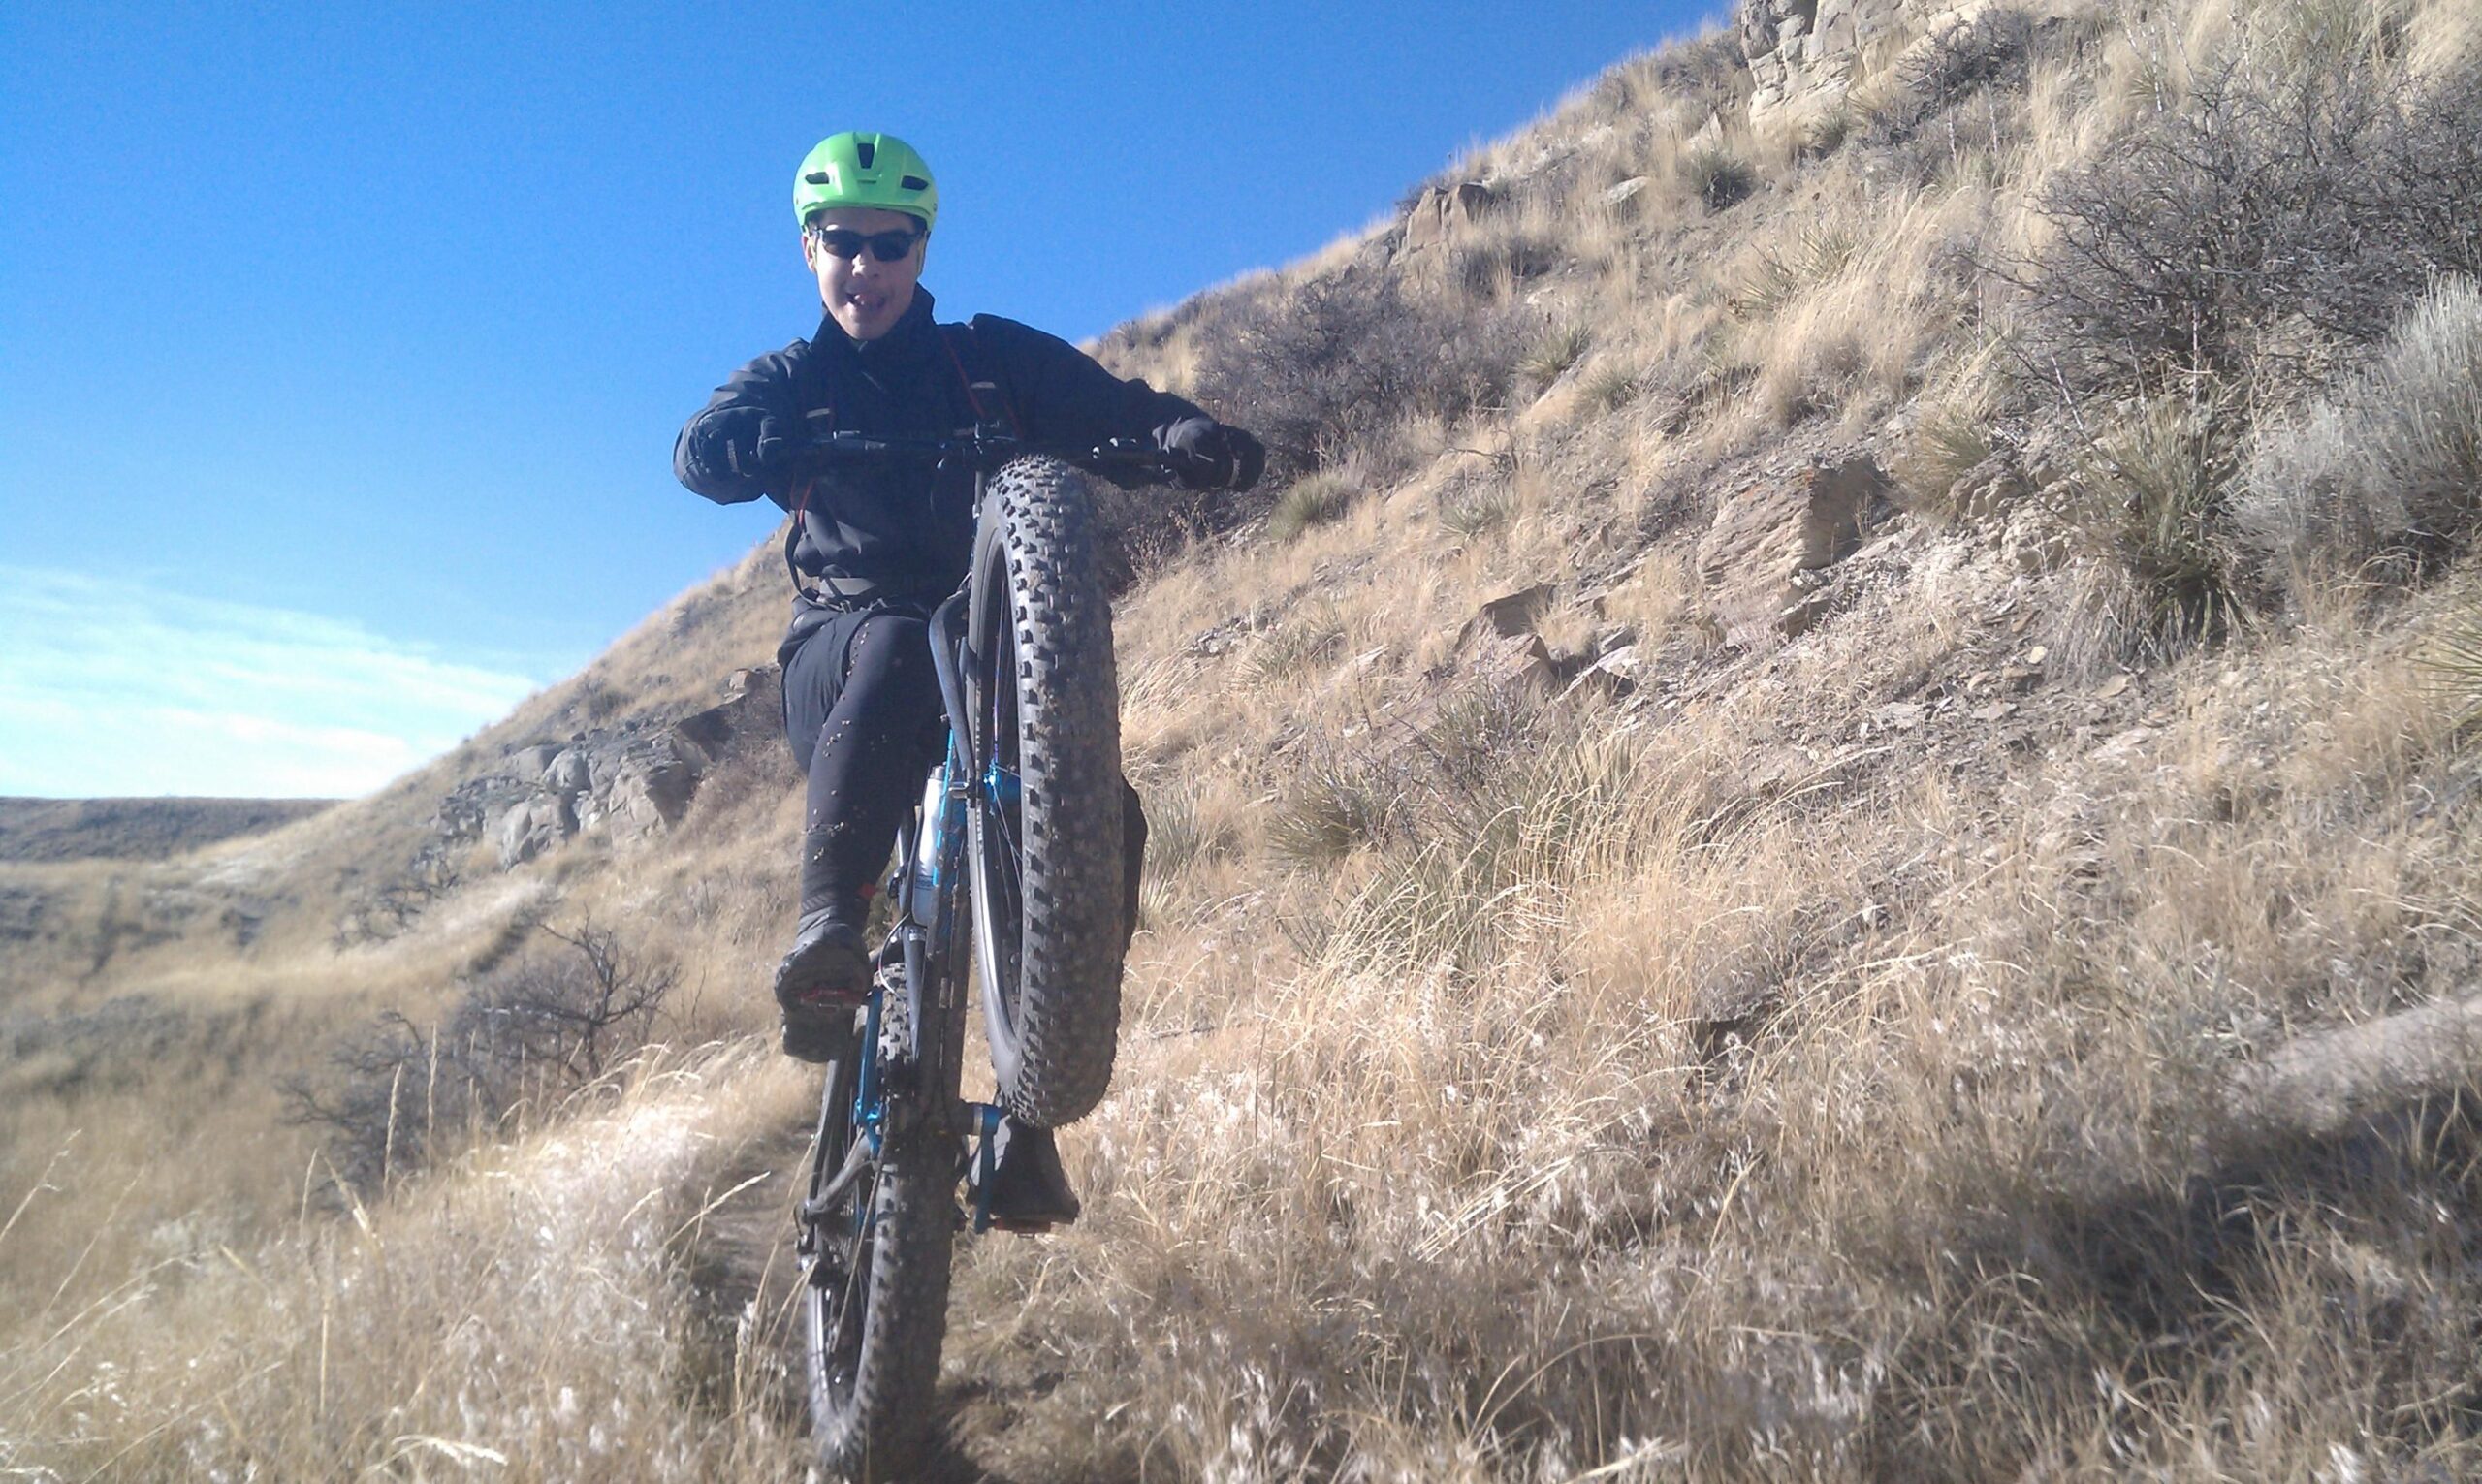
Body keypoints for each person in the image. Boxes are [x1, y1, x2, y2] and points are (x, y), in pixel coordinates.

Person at [674, 130, 1260, 1225]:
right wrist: (735, 446)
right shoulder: (792, 380)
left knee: (1102, 814)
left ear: (918, 249)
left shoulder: (988, 361)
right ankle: (829, 932)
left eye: (888, 242)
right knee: (898, 640)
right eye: (842, 242)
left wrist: (1185, 436)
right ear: (811, 251)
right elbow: (699, 446)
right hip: (843, 657)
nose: (866, 264)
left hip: (986, 670)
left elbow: (1110, 410)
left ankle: (1026, 1127)